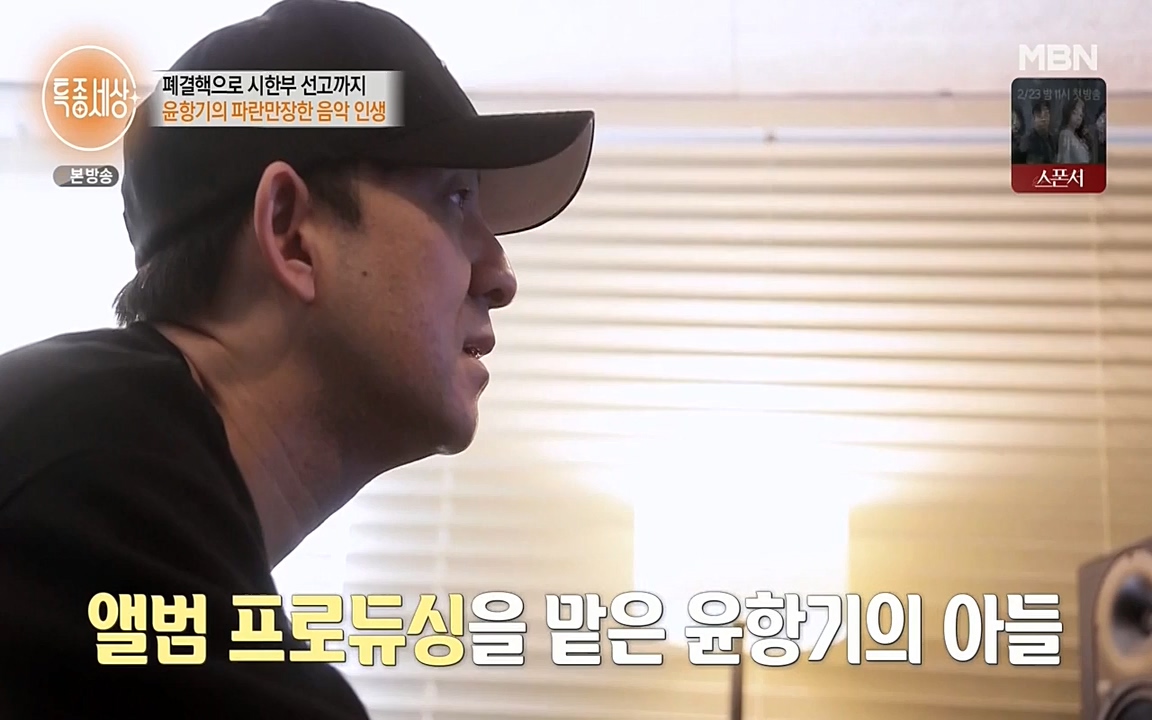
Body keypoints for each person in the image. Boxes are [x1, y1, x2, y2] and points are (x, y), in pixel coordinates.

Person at [0, 0, 594, 718]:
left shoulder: (115, 467)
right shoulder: (89, 495)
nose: (500, 277)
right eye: (455, 197)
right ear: (290, 234)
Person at [1056, 96, 1092, 165]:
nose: (1078, 118)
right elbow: (1065, 160)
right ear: (1068, 112)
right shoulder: (1065, 134)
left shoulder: (1078, 137)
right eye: (1075, 113)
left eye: (1081, 115)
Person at [1023, 99, 1056, 164]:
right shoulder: (1027, 141)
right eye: (1039, 115)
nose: (1043, 119)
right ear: (1033, 118)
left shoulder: (1052, 139)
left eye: (1046, 114)